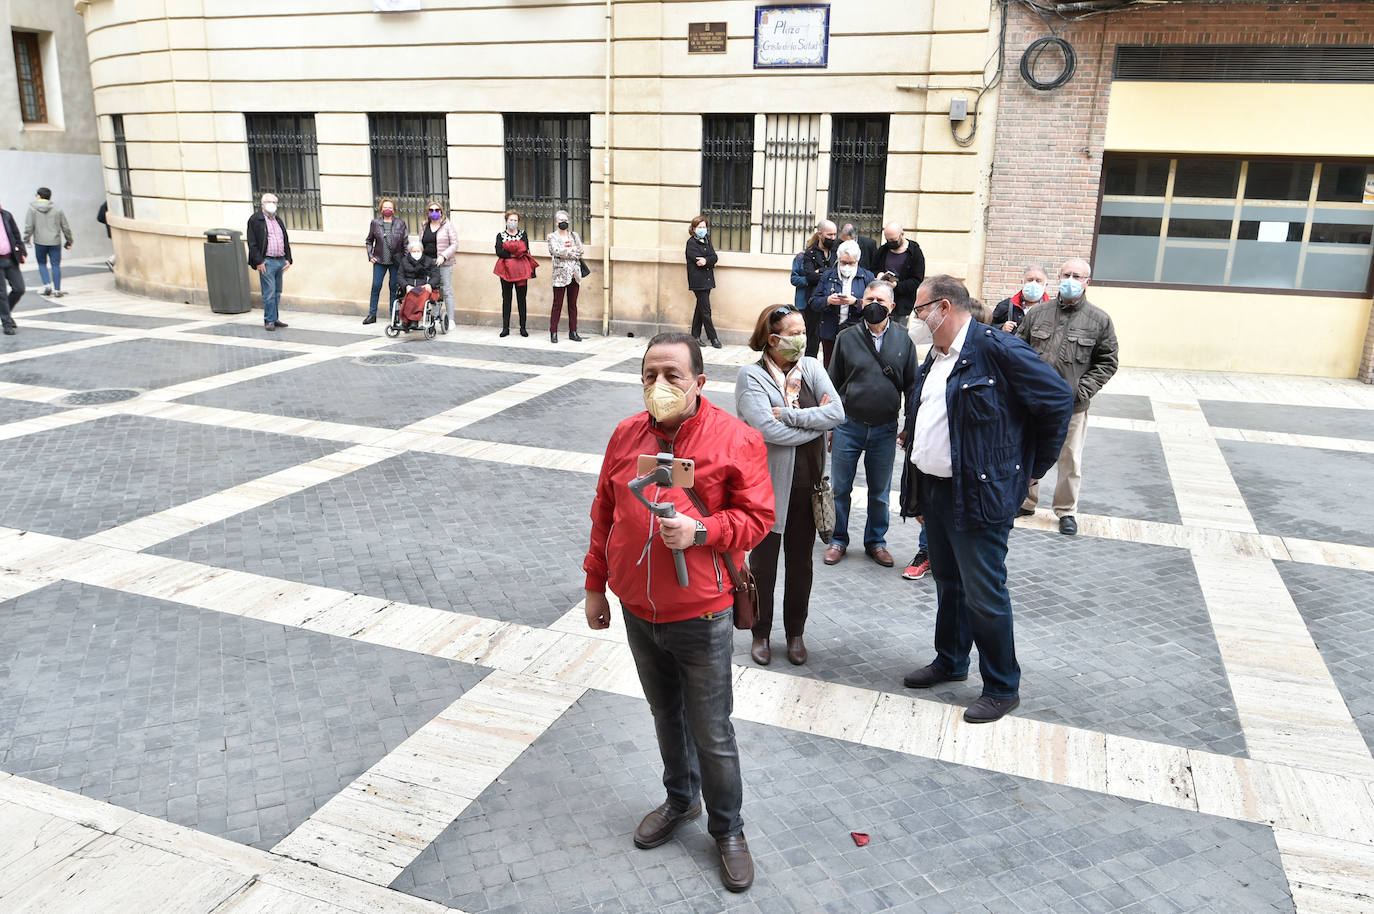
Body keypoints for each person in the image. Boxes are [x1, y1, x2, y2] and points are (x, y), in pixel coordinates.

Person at [583, 332, 773, 894]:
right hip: (638, 609)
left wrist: (702, 531)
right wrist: (597, 585)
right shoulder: (625, 435)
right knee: (666, 713)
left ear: (699, 382)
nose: (659, 386)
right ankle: (680, 800)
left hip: (702, 615)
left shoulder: (736, 439)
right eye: (649, 376)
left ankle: (728, 828)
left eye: (672, 376)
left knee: (711, 730)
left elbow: (757, 519)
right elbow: (604, 512)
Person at [898, 275, 1073, 723]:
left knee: (984, 593)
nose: (916, 319)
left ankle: (1001, 686)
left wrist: (1031, 470)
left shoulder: (997, 349)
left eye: (919, 310)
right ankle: (951, 661)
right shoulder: (936, 356)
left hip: (978, 494)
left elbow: (1057, 400)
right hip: (937, 491)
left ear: (943, 307)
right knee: (949, 585)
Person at [735, 305, 845, 666]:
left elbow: (838, 413)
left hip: (807, 486)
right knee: (763, 565)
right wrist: (816, 425)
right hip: (765, 486)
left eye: (803, 331)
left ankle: (796, 633)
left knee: (802, 564)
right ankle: (760, 633)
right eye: (793, 332)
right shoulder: (751, 377)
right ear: (772, 339)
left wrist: (794, 416)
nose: (801, 338)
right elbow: (767, 429)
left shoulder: (811, 367)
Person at [1015, 259, 1119, 535]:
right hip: (1034, 403)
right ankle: (1026, 501)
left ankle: (1065, 510)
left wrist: (1081, 391)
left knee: (1070, 458)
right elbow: (1017, 349)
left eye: (1077, 276)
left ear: (1088, 282)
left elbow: (1107, 362)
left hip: (1072, 406)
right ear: (1059, 277)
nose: (1071, 280)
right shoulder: (1037, 314)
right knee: (1028, 450)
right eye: (1066, 274)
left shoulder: (1099, 320)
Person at [823, 280, 920, 569]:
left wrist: (909, 425)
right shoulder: (846, 337)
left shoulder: (904, 339)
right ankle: (837, 540)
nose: (873, 304)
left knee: (880, 492)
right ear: (861, 303)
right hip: (848, 426)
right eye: (868, 299)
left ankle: (876, 542)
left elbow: (912, 386)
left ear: (891, 306)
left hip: (884, 429)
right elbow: (832, 383)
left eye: (880, 299)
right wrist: (829, 424)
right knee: (840, 488)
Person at [808, 239, 873, 368]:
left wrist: (855, 302)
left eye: (851, 263)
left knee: (852, 367)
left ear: (857, 261)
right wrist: (828, 300)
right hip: (830, 330)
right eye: (843, 262)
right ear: (838, 260)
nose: (847, 266)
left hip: (856, 331)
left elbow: (872, 306)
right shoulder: (828, 276)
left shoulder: (867, 277)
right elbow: (813, 302)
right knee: (830, 366)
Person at [246, 192, 291, 331]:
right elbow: (252, 243)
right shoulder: (255, 220)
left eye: (274, 202)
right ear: (262, 204)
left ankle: (274, 318)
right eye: (269, 202)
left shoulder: (278, 220)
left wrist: (289, 259)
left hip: (280, 261)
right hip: (267, 262)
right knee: (269, 293)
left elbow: (285, 239)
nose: (272, 204)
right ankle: (269, 320)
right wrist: (259, 261)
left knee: (277, 292)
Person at [363, 198, 408, 325]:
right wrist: (370, 255)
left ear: (394, 209)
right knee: (376, 286)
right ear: (381, 209)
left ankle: (393, 315)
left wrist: (405, 261)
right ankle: (372, 315)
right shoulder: (375, 223)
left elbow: (405, 243)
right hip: (379, 260)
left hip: (396, 261)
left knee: (394, 287)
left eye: (390, 207)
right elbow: (369, 241)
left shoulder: (400, 223)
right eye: (385, 207)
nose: (387, 209)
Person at [23, 187, 73, 298]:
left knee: (42, 264)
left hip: (40, 241)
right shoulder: (57, 209)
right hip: (55, 241)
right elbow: (65, 226)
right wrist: (69, 240)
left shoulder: (32, 209)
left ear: (39, 196)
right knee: (55, 265)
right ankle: (57, 290)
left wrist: (26, 239)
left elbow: (29, 226)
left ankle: (47, 285)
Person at [799, 220, 837, 357]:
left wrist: (820, 271)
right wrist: (828, 273)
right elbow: (810, 276)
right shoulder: (810, 253)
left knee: (831, 344)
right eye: (829, 235)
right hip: (815, 302)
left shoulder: (837, 250)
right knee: (813, 340)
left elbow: (837, 273)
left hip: (833, 302)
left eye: (834, 234)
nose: (833, 238)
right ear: (820, 234)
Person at [494, 210, 535, 337]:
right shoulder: (500, 235)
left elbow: (524, 249)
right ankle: (505, 328)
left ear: (518, 222)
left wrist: (510, 251)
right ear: (506, 221)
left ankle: (523, 327)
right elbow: (499, 251)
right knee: (506, 299)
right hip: (505, 271)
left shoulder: (523, 234)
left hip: (521, 271)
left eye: (515, 220)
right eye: (511, 220)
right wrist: (513, 253)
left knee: (521, 299)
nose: (513, 222)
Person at [876, 222, 925, 326]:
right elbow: (873, 269)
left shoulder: (914, 253)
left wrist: (897, 286)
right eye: (888, 240)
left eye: (893, 240)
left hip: (902, 304)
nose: (890, 243)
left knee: (897, 334)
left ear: (902, 234)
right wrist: (879, 275)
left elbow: (917, 280)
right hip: (882, 300)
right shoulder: (883, 250)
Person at [547, 209, 584, 343]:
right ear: (556, 222)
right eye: (560, 220)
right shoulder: (552, 237)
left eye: (565, 220)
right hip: (560, 274)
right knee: (557, 304)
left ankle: (573, 331)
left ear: (568, 221)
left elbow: (580, 251)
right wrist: (571, 250)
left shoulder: (574, 235)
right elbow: (555, 251)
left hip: (574, 273)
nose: (563, 222)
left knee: (572, 304)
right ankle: (553, 332)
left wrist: (569, 252)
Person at [421, 202, 457, 330]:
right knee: (432, 289)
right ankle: (435, 316)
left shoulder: (447, 225)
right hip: (428, 264)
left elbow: (454, 244)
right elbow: (421, 243)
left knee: (446, 290)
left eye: (437, 210)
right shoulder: (424, 225)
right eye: (431, 210)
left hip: (444, 263)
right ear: (428, 212)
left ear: (441, 212)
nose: (434, 212)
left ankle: (451, 319)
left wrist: (443, 256)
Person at [686, 216, 721, 348]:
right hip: (698, 281)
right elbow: (698, 261)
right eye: (699, 227)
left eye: (704, 227)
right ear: (694, 229)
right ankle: (713, 338)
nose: (702, 229)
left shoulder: (707, 240)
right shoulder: (691, 243)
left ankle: (695, 336)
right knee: (706, 310)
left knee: (700, 308)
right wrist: (707, 261)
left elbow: (714, 257)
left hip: (707, 279)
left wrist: (707, 260)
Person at [398, 237, 439, 329]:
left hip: (424, 288)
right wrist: (406, 285)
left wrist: (430, 284)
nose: (416, 253)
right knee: (412, 293)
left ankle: (409, 320)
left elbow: (436, 275)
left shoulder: (429, 261)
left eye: (418, 251)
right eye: (414, 251)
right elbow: (400, 276)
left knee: (418, 293)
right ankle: (412, 320)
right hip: (409, 287)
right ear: (410, 252)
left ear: (422, 251)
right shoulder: (404, 261)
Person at [991, 265, 1047, 333]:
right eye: (1030, 280)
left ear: (1045, 285)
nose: (1033, 284)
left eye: (1038, 281)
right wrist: (1001, 328)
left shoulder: (1052, 310)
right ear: (1022, 282)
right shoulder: (1006, 306)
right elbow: (989, 328)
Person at [0, 200, 27, 335]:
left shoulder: (6, 215)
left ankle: (6, 313)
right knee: (2, 294)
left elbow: (16, 235)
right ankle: (6, 323)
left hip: (10, 259)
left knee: (19, 288)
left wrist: (21, 250)